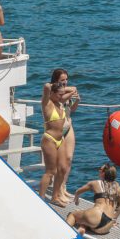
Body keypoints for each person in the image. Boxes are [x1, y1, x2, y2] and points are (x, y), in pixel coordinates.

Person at [38, 81, 76, 205]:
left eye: (62, 94)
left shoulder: (60, 103)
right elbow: (46, 86)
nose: (61, 96)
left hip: (61, 139)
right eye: (59, 94)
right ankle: (41, 199)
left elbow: (73, 90)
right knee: (50, 171)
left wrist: (62, 89)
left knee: (63, 169)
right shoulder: (46, 103)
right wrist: (57, 86)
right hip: (49, 139)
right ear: (52, 93)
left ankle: (55, 197)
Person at [66, 162, 120, 234]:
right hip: (106, 226)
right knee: (87, 220)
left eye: (100, 169)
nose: (98, 170)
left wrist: (76, 198)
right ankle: (82, 228)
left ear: (104, 173)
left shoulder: (94, 183)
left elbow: (78, 191)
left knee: (73, 214)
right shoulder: (116, 185)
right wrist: (114, 218)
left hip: (96, 215)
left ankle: (64, 235)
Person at [49, 68, 79, 202]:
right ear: (56, 80)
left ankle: (63, 187)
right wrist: (72, 90)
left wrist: (77, 100)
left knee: (69, 158)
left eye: (66, 79)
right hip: (57, 130)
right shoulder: (52, 91)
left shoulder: (67, 91)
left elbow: (70, 109)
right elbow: (60, 99)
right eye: (62, 80)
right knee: (59, 163)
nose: (65, 82)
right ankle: (57, 190)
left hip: (69, 127)